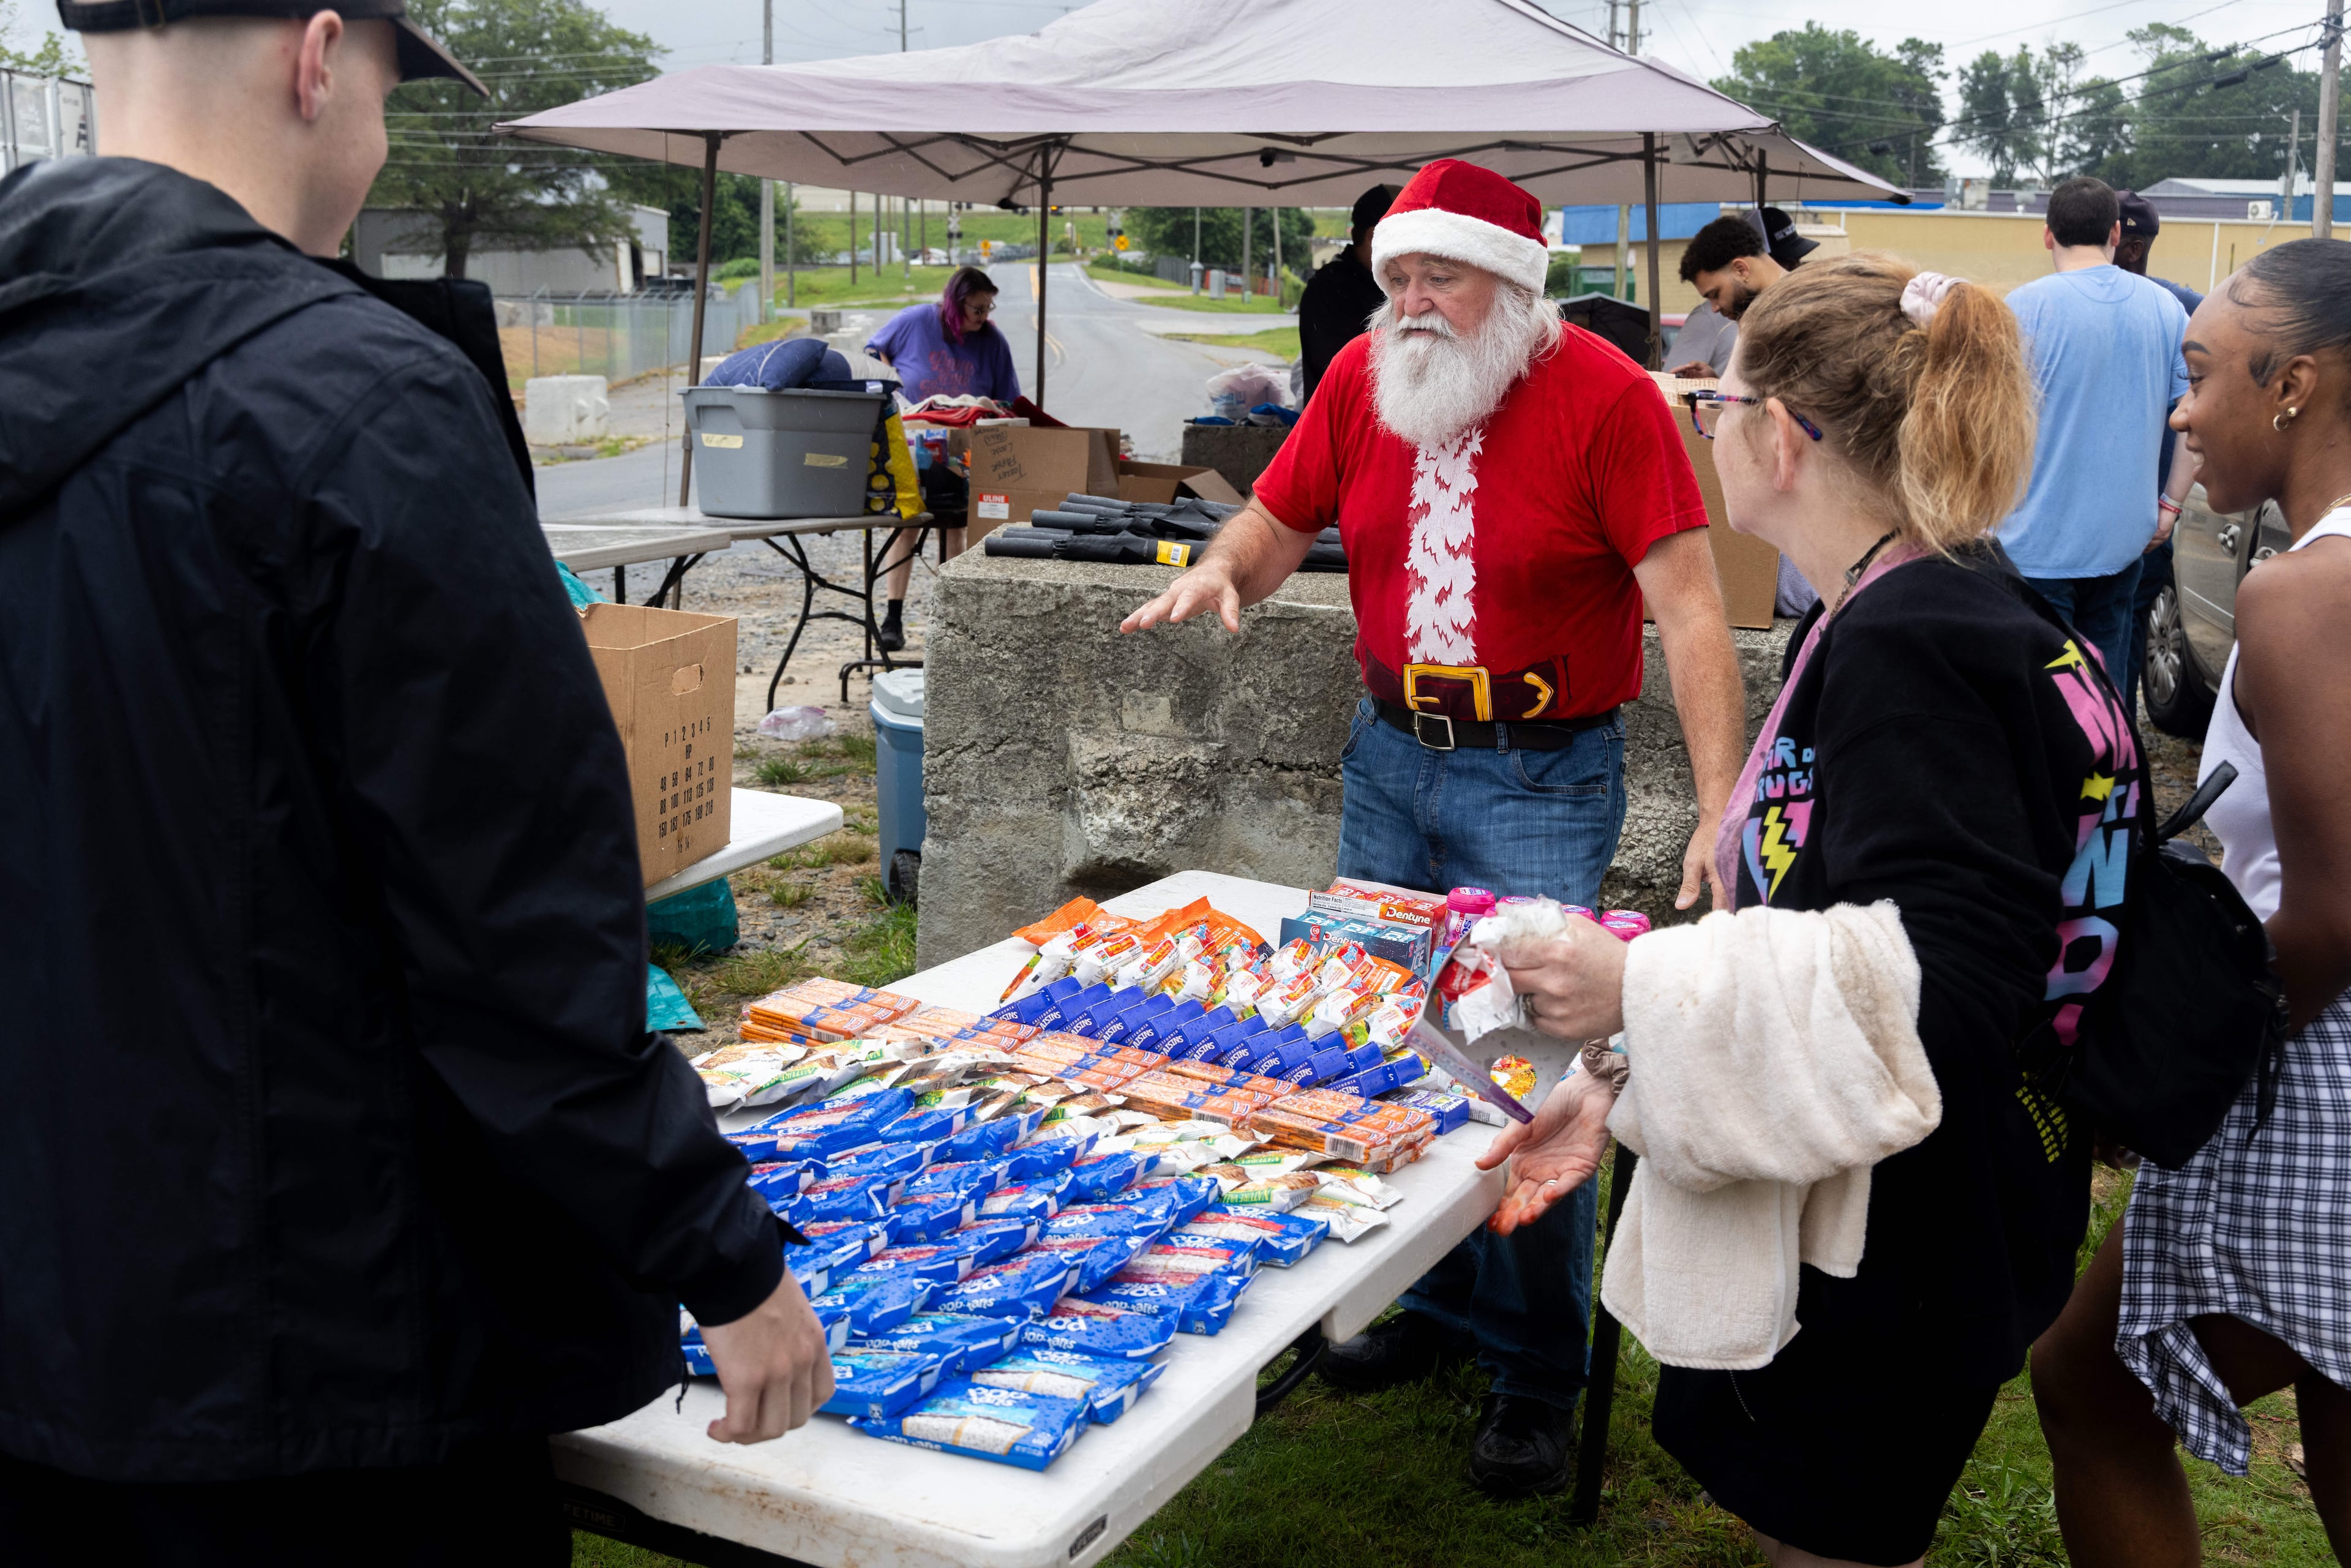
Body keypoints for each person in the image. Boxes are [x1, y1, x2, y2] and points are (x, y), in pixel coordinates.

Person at [0, 4, 831, 1559]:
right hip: (328, 1374)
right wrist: (724, 1257)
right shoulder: (361, 403)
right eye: (383, 92)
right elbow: (517, 936)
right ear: (319, 61)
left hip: (53, 1345)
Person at [1483, 253, 2135, 1567]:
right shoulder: (1928, 591)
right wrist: (1635, 1068)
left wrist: (1641, 988)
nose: (1702, 424)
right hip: (1932, 1199)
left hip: (1904, 1234)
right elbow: (1849, 906)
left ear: (1779, 434)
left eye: (1712, 401)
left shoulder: (1920, 637)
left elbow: (1942, 986)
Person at [1121, 157, 1748, 1498]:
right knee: (1398, 1042)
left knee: (1519, 1066)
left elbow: (1694, 609)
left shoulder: (1614, 399)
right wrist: (1223, 570)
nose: (1406, 300)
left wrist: (1718, 800)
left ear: (1514, 284)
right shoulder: (1361, 379)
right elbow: (1279, 517)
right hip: (1389, 756)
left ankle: (1533, 1362)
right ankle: (1437, 1299)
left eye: (1436, 276)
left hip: (1536, 774)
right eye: (1395, 275)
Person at [2031, 238, 2351, 1566]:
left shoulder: (2305, 593)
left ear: (2296, 385)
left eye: (2201, 372)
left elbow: (2337, 912)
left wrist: (2149, 1066)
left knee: (2088, 1383)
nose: (2181, 408)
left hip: (2319, 1068)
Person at [1997, 176, 2195, 682]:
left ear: (2048, 235)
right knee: (2107, 691)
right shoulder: (2166, 309)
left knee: (2045, 704)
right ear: (2114, 231)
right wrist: (2169, 507)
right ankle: (2115, 760)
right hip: (2124, 542)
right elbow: (2193, 416)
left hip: (2033, 545)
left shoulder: (2019, 309)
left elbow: (1982, 426)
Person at [866, 266, 1020, 650]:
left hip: (966, 449)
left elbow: (1010, 401)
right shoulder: (916, 320)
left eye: (989, 308)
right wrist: (892, 385)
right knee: (906, 524)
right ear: (955, 303)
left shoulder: (992, 340)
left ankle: (952, 614)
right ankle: (892, 617)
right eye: (977, 309)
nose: (984, 317)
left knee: (958, 527)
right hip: (913, 443)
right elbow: (872, 352)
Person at [2115, 189, 2207, 719]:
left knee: (2124, 632)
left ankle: (2114, 742)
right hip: (2108, 509)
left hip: (2147, 513)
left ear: (2130, 247)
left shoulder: (2183, 311)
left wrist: (2171, 504)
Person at [1297, 182, 1400, 399]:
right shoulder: (1329, 290)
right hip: (1342, 427)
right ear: (1374, 237)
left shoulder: (1389, 284)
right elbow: (1351, 375)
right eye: (1406, 235)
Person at [1679, 212, 1786, 328]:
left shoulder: (1794, 318)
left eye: (1715, 295)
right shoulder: (1767, 317)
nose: (1715, 308)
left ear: (1741, 270)